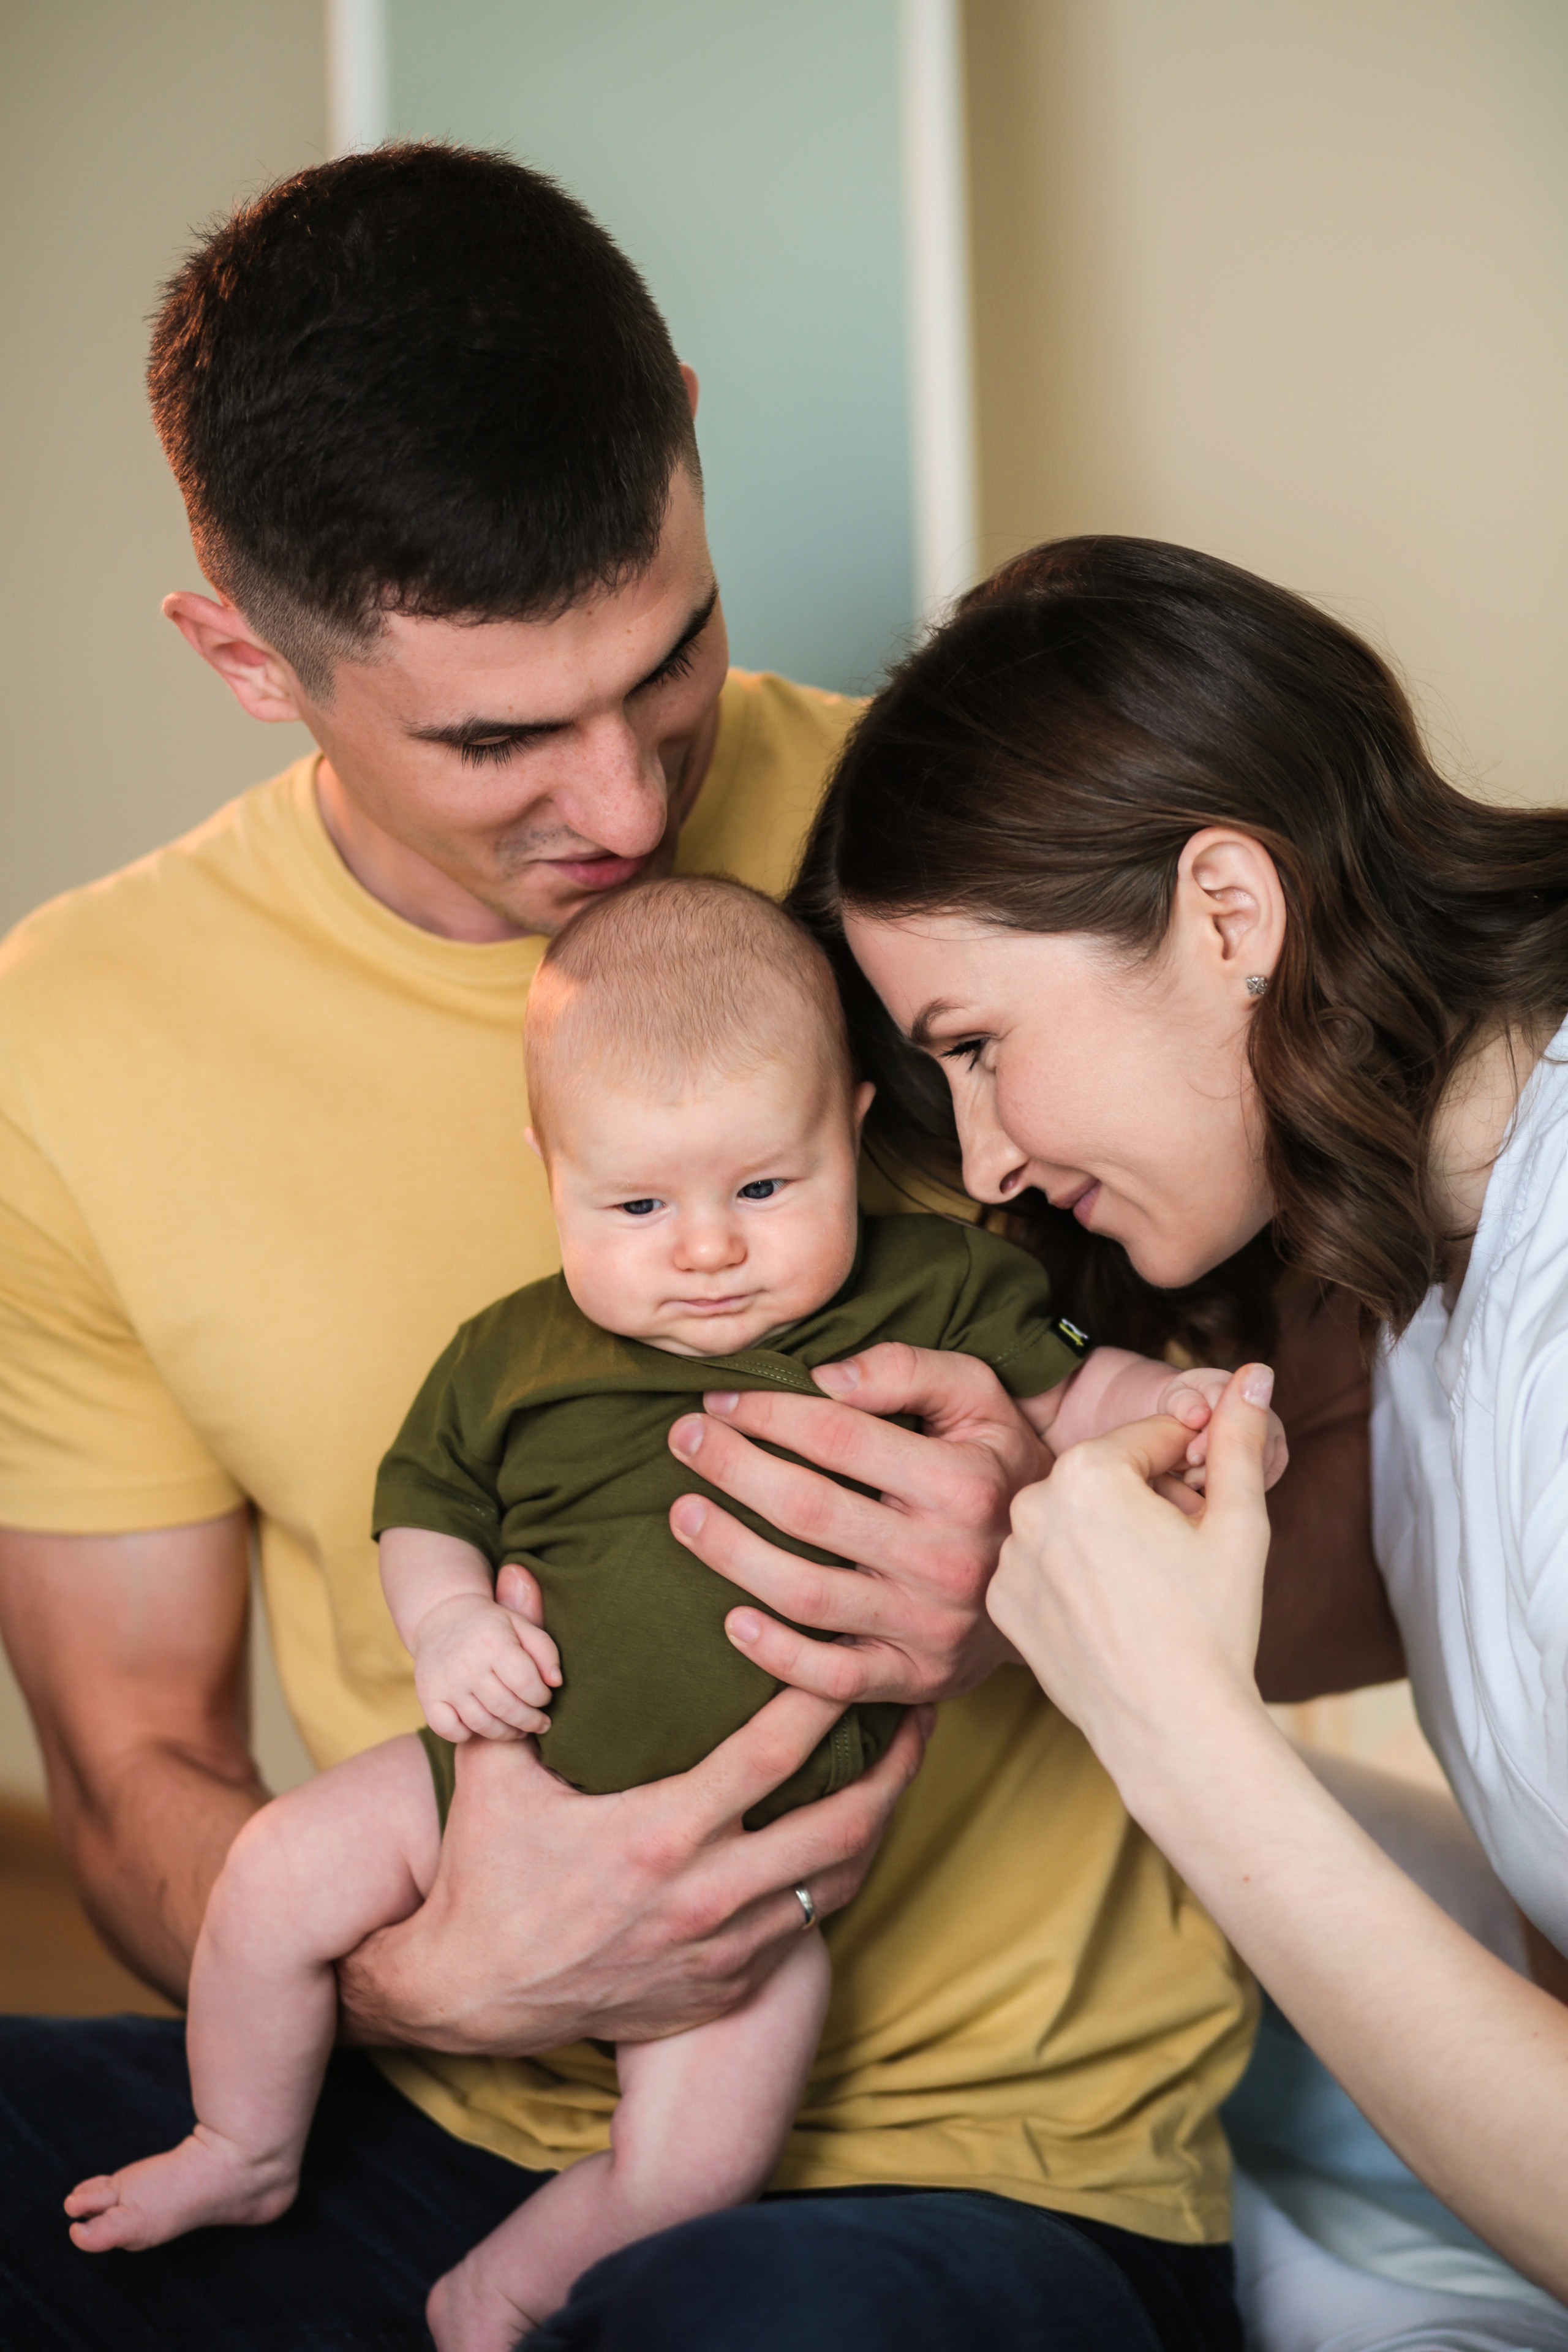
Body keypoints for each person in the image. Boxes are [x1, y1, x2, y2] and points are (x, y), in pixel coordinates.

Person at [0, 153, 1270, 2350]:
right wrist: (433, 1968)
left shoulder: (959, 851)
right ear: (244, 658)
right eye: (497, 738)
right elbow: (126, 1768)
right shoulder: (68, 1042)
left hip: (992, 2162)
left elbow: (1370, 1450)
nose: (621, 799)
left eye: (667, 655)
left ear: (686, 429)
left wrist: (1053, 1563)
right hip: (423, 2095)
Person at [64, 877, 1277, 2350]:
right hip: (473, 1807)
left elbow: (1080, 1384)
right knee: (267, 1878)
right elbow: (425, 1509)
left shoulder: (939, 1282)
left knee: (698, 2163)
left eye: (764, 1189)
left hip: (761, 1892)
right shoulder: (511, 1351)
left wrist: (1182, 1406)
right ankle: (244, 2146)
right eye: (636, 1206)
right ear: (550, 1169)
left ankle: (504, 2287)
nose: (704, 1250)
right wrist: (452, 1632)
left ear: (844, 1126)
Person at [793, 530, 1568, 2342]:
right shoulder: (1435, 1253)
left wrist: (1174, 1734)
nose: (983, 1157)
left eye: (977, 1043)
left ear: (1228, 910)